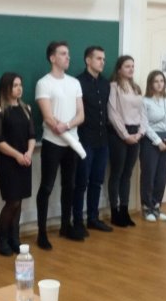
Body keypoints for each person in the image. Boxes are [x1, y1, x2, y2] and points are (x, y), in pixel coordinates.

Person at [35, 41, 85, 250]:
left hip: (71, 143)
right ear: (52, 58)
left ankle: (66, 226)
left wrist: (67, 126)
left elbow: (81, 114)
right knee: (47, 187)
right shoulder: (44, 83)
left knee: (69, 185)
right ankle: (42, 233)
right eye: (63, 54)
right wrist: (59, 127)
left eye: (68, 54)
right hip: (52, 142)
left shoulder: (74, 83)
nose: (68, 57)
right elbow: (48, 117)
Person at [0, 73, 36, 256]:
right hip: (8, 162)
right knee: (12, 201)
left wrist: (29, 153)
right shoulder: (0, 109)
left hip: (24, 160)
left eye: (20, 85)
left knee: (20, 201)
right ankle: (1, 239)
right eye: (15, 85)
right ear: (6, 88)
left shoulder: (26, 108)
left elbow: (32, 135)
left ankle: (14, 238)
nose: (19, 88)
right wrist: (17, 155)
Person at [72, 46, 113, 236]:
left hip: (102, 140)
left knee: (97, 181)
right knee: (81, 182)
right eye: (98, 58)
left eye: (104, 59)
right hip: (84, 140)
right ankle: (77, 221)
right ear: (88, 60)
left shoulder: (105, 83)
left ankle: (93, 218)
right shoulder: (77, 82)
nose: (102, 62)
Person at [107, 55, 147, 227]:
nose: (131, 69)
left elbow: (143, 113)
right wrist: (125, 135)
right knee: (117, 173)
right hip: (119, 134)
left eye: (133, 66)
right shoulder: (114, 87)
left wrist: (140, 133)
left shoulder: (136, 88)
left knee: (127, 174)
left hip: (135, 133)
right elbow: (113, 113)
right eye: (127, 66)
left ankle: (124, 210)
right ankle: (115, 212)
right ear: (119, 69)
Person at [140, 70, 166, 222]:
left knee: (162, 176)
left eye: (162, 81)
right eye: (156, 81)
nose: (159, 84)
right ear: (150, 83)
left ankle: (156, 206)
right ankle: (146, 208)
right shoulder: (145, 101)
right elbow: (144, 124)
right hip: (151, 140)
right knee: (149, 175)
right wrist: (158, 141)